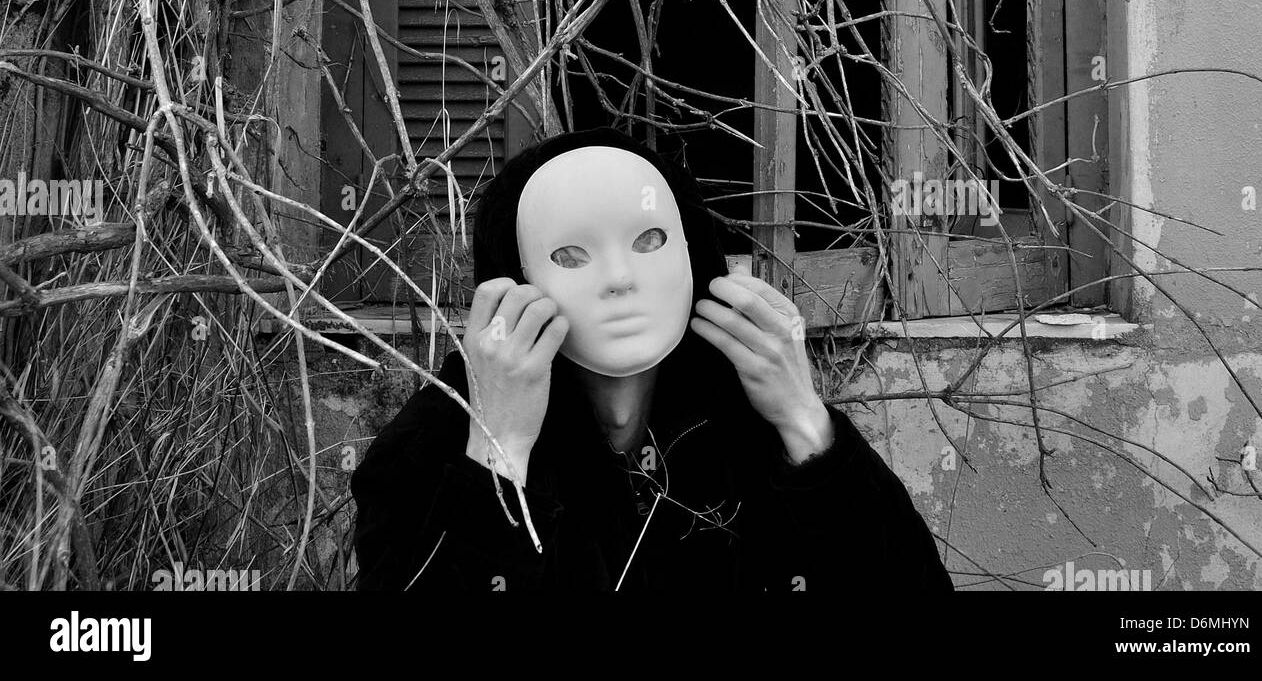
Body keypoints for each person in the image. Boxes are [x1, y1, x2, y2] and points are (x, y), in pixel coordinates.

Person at [351, 126, 954, 592]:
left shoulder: (753, 432)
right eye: (571, 254)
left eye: (648, 241)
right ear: (515, 279)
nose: (618, 278)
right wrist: (498, 451)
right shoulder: (432, 447)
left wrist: (805, 424)